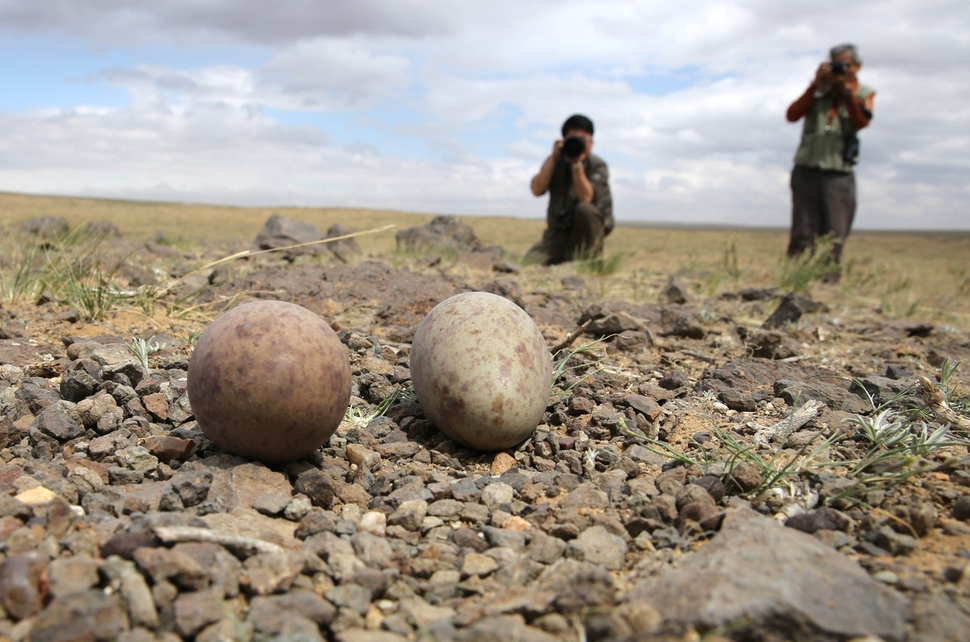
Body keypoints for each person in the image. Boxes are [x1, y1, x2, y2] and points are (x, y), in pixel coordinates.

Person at [785, 43, 875, 267]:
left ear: (857, 67)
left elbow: (862, 122)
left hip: (838, 173)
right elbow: (792, 114)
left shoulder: (863, 94)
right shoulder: (818, 92)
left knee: (834, 235)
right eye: (835, 64)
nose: (840, 70)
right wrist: (816, 85)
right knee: (802, 234)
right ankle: (792, 280)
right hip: (807, 169)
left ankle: (826, 286)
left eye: (846, 65)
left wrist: (846, 92)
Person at [526, 114, 613, 265]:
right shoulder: (555, 161)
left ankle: (593, 263)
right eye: (572, 138)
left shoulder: (597, 165)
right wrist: (553, 158)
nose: (577, 143)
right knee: (529, 262)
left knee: (585, 209)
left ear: (591, 143)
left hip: (588, 233)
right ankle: (563, 259)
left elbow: (586, 197)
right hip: (559, 232)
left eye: (582, 139)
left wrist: (576, 164)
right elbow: (536, 190)